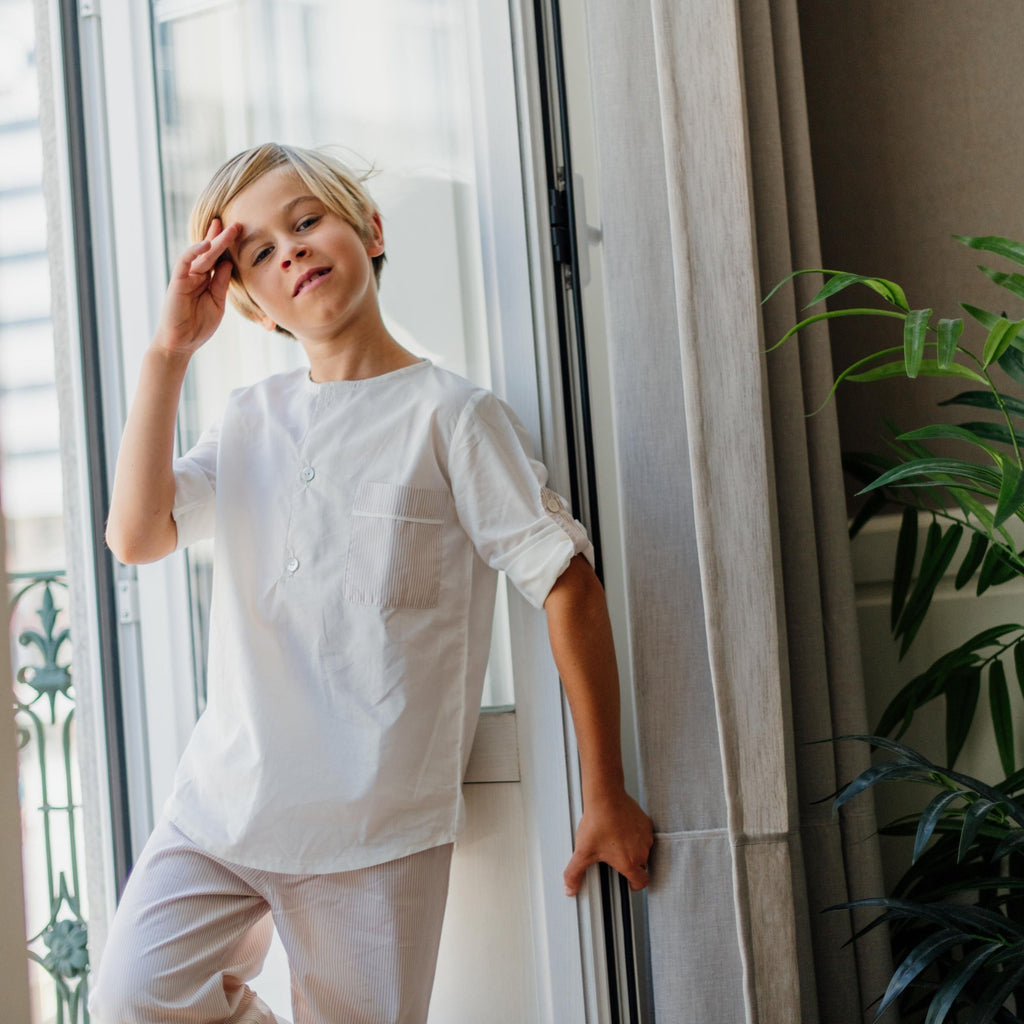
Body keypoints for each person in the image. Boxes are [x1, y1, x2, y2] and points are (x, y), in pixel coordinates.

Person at [91, 142, 653, 1024]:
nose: (293, 252)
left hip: (373, 831)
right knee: (133, 997)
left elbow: (566, 585)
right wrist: (169, 351)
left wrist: (605, 792)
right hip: (222, 808)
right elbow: (134, 536)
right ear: (248, 301)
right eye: (261, 253)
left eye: (307, 220)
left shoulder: (452, 417)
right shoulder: (246, 423)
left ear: (369, 229)